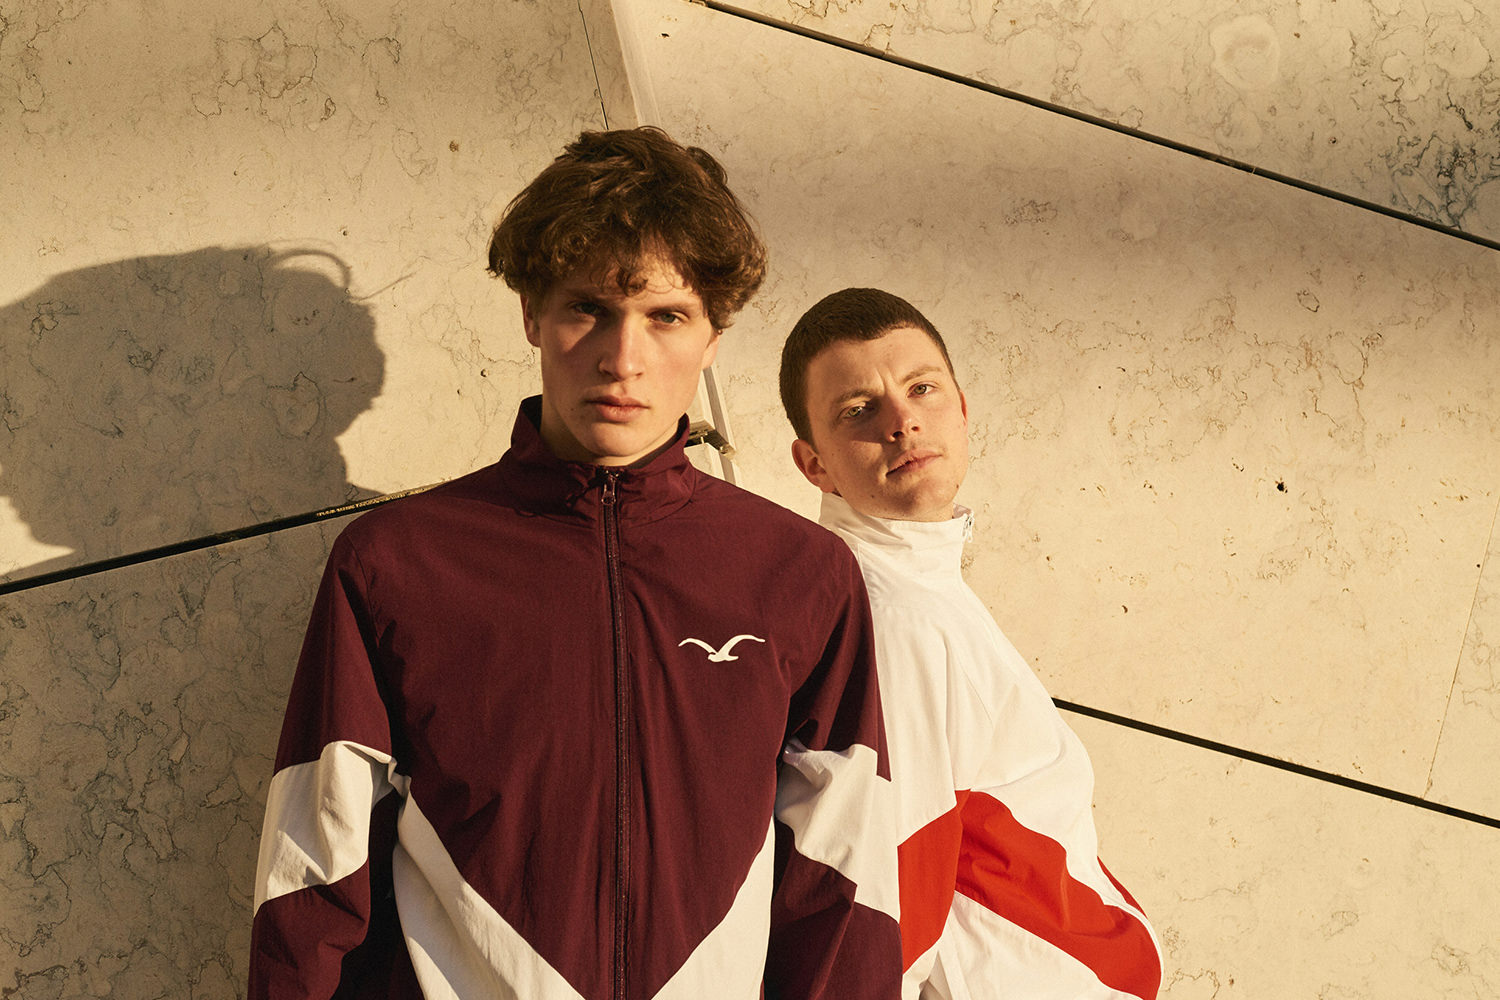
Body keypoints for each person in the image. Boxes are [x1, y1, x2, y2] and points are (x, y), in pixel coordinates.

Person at [249, 129, 902, 999]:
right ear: (532, 314)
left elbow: (843, 887)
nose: (622, 358)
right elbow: (313, 879)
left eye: (666, 316)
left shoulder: (800, 573)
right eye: (587, 308)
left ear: (714, 334)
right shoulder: (396, 564)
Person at [779, 287, 1163, 1000]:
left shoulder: (920, 591)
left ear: (961, 407)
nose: (902, 421)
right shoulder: (893, 618)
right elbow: (883, 904)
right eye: (858, 409)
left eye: (921, 389)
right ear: (815, 465)